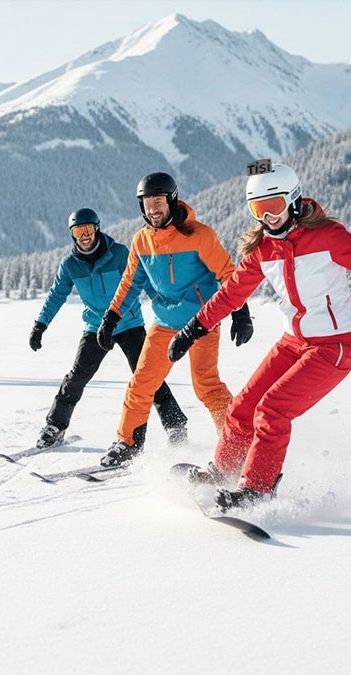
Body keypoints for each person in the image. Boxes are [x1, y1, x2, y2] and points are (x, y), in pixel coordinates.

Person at [167, 162, 351, 511]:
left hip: (334, 345)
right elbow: (230, 295)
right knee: (241, 410)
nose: (268, 217)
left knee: (271, 411)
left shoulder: (328, 236)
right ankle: (221, 474)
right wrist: (192, 329)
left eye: (274, 207)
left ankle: (257, 490)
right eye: (259, 210)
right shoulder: (262, 250)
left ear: (294, 200)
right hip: (293, 343)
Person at [96, 172, 254, 467]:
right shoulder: (142, 241)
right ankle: (126, 443)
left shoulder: (200, 235)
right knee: (142, 382)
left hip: (203, 322)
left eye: (158, 201)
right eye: (146, 202)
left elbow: (228, 274)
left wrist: (240, 311)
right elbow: (130, 283)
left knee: (207, 386)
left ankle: (239, 445)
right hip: (165, 323)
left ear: (171, 200)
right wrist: (111, 316)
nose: (153, 208)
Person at [30, 207, 189, 449]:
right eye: (78, 231)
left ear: (97, 228)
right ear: (72, 234)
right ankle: (55, 425)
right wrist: (40, 325)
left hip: (128, 322)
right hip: (95, 326)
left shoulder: (119, 254)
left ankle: (175, 425)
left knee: (147, 375)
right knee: (76, 376)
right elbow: (56, 296)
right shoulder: (70, 265)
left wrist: (170, 311)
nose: (85, 236)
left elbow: (145, 280)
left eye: (88, 229)